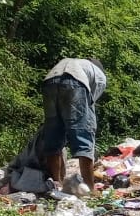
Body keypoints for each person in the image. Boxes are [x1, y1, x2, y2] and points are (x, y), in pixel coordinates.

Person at [40, 57, 106, 195]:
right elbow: (90, 102)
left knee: (54, 133)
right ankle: (90, 189)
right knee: (84, 134)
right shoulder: (100, 76)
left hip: (49, 81)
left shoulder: (79, 64)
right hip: (75, 82)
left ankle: (56, 185)